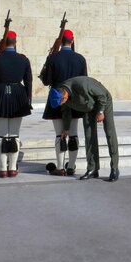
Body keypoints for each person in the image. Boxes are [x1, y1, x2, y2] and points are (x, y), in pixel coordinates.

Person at [48, 76, 119, 182]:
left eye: (60, 103)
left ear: (64, 96)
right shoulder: (61, 93)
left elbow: (102, 95)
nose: (61, 105)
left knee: (109, 132)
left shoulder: (82, 85)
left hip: (103, 102)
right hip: (88, 108)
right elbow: (66, 113)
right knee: (89, 135)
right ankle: (92, 169)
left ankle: (114, 168)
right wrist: (66, 129)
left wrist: (100, 111)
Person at [0, 31, 33, 178]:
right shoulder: (23, 60)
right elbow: (28, 82)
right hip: (18, 95)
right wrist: (27, 99)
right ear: (15, 42)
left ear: (4, 43)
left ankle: (3, 169)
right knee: (15, 134)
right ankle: (13, 168)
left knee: (2, 136)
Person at [39, 29, 87, 176]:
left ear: (61, 42)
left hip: (57, 97)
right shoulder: (80, 59)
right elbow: (84, 81)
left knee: (59, 135)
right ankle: (71, 166)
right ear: (72, 41)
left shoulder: (53, 58)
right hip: (74, 98)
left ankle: (60, 167)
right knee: (73, 134)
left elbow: (46, 80)